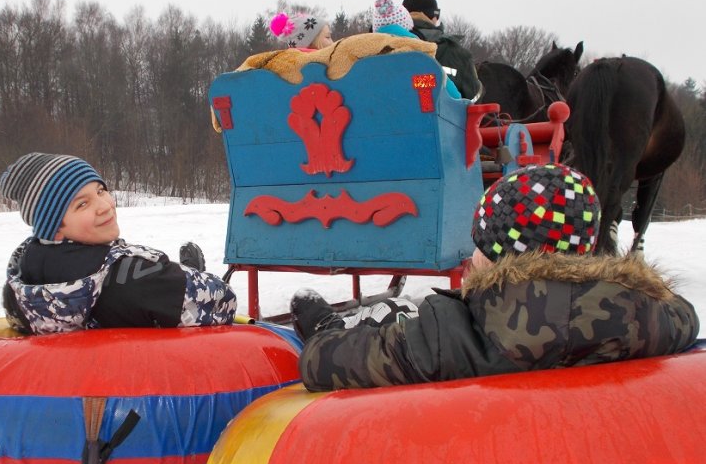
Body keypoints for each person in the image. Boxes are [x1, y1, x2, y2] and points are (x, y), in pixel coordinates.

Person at [291, 163, 700, 391]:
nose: (471, 256)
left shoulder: (459, 337)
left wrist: (326, 332)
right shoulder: (661, 318)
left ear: (503, 258)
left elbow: (323, 364)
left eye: (480, 244)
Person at [0, 152, 237, 334]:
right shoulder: (136, 277)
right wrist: (180, 277)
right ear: (54, 228)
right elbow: (223, 302)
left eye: (100, 191)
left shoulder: (18, 288)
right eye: (82, 204)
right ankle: (191, 272)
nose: (105, 206)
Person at [371, 0, 460, 99]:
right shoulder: (420, 57)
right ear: (407, 27)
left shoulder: (365, 56)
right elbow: (452, 95)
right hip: (413, 108)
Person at [402, 0, 482, 101]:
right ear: (434, 16)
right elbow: (474, 97)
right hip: (438, 111)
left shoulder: (384, 46)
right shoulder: (456, 53)